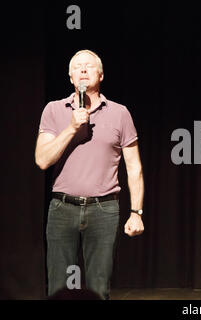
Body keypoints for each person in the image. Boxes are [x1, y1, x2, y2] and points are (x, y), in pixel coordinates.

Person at [35, 49, 145, 299]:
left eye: (90, 66)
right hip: (62, 208)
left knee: (99, 287)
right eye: (77, 67)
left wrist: (136, 212)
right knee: (58, 287)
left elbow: (134, 166)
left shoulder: (120, 113)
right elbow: (42, 160)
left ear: (101, 74)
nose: (83, 69)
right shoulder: (54, 110)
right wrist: (72, 127)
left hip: (104, 210)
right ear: (71, 77)